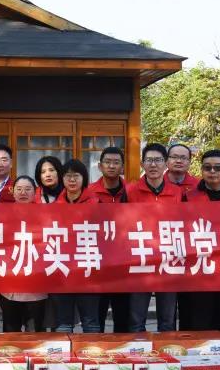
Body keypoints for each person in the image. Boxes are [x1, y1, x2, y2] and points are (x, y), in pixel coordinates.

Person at [127, 143, 185, 332]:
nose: (153, 165)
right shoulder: (130, 192)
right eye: (149, 160)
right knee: (136, 320)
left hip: (168, 259)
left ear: (166, 163)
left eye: (158, 160)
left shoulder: (178, 193)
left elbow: (185, 224)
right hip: (140, 260)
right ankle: (138, 350)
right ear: (142, 164)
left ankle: (167, 351)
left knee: (168, 320)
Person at [182, 150, 220, 330]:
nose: (212, 171)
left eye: (217, 167)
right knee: (202, 322)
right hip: (201, 269)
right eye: (207, 168)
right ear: (201, 170)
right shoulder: (188, 197)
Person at [52, 159, 102, 333]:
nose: (72, 180)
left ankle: (92, 350)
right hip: (63, 268)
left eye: (76, 176)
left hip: (88, 268)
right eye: (68, 176)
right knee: (63, 322)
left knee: (90, 321)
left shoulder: (96, 203)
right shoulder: (55, 206)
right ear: (62, 178)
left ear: (84, 178)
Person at [85, 147, 130, 332]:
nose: (111, 166)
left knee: (123, 318)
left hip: (125, 263)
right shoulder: (89, 192)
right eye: (107, 162)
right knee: (97, 318)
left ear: (122, 167)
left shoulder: (132, 191)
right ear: (100, 166)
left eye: (116, 162)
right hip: (98, 263)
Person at [0, 176, 49, 332]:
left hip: (36, 287)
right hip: (9, 286)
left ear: (35, 193)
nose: (23, 193)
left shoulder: (45, 216)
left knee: (35, 333)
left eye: (28, 189)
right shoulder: (2, 215)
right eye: (19, 189)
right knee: (10, 332)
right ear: (13, 192)